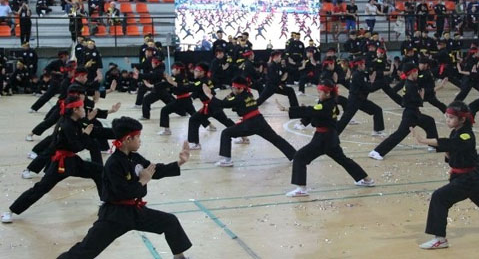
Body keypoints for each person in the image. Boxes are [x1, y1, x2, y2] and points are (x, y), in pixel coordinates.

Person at [57, 117, 192, 259]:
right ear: (128, 139)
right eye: (138, 137)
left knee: (170, 221)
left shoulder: (133, 157)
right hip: (115, 215)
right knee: (87, 250)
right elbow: (123, 192)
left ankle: (180, 258)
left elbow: (153, 170)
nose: (140, 140)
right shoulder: (113, 164)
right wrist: (142, 181)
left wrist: (179, 163)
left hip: (135, 211)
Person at [410, 101, 479, 249]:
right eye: (446, 117)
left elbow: (451, 144)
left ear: (462, 119)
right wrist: (448, 154)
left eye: (451, 118)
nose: (447, 120)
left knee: (439, 197)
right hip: (465, 178)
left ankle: (440, 239)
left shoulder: (466, 135)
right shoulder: (456, 132)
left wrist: (423, 140)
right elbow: (450, 150)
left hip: (468, 179)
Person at [1, 96, 103, 223]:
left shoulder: (71, 121)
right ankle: (10, 211)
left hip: (73, 161)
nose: (84, 109)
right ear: (75, 110)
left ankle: (104, 200)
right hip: (61, 165)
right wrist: (86, 134)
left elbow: (83, 128)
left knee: (99, 171)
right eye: (82, 107)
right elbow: (77, 146)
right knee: (40, 188)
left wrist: (89, 120)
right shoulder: (67, 126)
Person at [277, 79, 375, 197]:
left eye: (320, 92)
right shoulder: (331, 102)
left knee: (299, 157)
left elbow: (312, 110)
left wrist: (287, 109)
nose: (318, 94)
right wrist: (309, 112)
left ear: (328, 93)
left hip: (323, 139)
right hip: (330, 138)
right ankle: (366, 179)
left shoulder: (327, 105)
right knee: (343, 160)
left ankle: (301, 189)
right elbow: (314, 112)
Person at [203, 76, 296, 167]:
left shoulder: (239, 98)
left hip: (250, 123)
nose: (232, 89)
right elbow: (233, 102)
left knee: (226, 133)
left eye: (234, 88)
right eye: (232, 87)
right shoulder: (248, 94)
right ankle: (294, 156)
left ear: (240, 89)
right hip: (259, 121)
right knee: (275, 138)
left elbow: (222, 104)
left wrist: (209, 94)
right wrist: (232, 94)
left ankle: (226, 160)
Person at [369, 63, 438, 160]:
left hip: (415, 113)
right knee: (399, 135)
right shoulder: (410, 86)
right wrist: (421, 97)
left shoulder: (411, 83)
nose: (417, 74)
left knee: (429, 121)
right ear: (412, 72)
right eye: (416, 72)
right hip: (410, 115)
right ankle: (377, 151)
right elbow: (416, 101)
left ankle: (433, 145)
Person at [336, 56, 385, 136]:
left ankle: (377, 130)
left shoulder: (361, 74)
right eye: (363, 64)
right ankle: (333, 133)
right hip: (354, 100)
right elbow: (367, 88)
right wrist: (377, 84)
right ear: (359, 65)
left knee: (377, 110)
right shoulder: (357, 75)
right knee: (345, 119)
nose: (364, 65)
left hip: (361, 100)